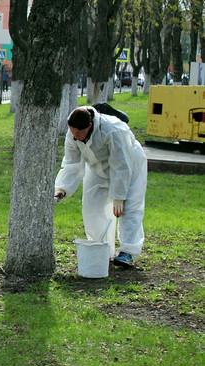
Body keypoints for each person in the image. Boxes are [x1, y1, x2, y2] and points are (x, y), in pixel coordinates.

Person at [54, 106, 147, 268]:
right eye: (72, 132)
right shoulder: (74, 133)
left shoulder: (113, 130)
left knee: (130, 208)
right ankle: (101, 248)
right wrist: (62, 188)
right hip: (98, 167)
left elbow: (121, 165)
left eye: (78, 133)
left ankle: (128, 252)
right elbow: (72, 162)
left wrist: (119, 196)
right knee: (91, 205)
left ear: (89, 126)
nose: (75, 136)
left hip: (130, 164)